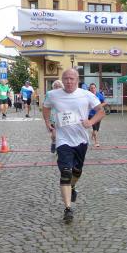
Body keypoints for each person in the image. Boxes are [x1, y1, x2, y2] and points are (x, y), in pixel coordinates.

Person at [43, 69, 105, 223]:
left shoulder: (86, 95)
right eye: (66, 78)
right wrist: (47, 123)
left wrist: (90, 122)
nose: (69, 81)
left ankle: (72, 186)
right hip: (63, 139)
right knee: (65, 172)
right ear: (62, 80)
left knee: (77, 171)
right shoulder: (53, 94)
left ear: (77, 80)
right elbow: (45, 107)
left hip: (81, 140)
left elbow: (101, 111)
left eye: (72, 78)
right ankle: (68, 209)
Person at [47, 79, 63, 152]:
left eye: (59, 86)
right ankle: (53, 142)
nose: (57, 87)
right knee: (54, 134)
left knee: (61, 134)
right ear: (53, 87)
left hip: (62, 116)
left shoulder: (64, 94)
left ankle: (60, 147)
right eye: (56, 86)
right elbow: (46, 106)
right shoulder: (50, 94)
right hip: (53, 116)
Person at [88, 83, 106, 147]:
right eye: (91, 88)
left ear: (96, 88)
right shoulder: (87, 95)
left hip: (98, 114)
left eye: (94, 88)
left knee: (96, 129)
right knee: (95, 128)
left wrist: (99, 106)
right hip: (91, 115)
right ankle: (96, 142)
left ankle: (93, 133)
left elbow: (104, 102)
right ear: (89, 89)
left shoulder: (99, 95)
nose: (93, 89)